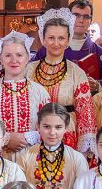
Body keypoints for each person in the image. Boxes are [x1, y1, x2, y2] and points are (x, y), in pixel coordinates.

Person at [26, 9, 98, 154]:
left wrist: (85, 148)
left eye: (61, 38)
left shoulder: (76, 72)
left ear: (68, 40)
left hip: (66, 132)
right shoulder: (29, 69)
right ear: (43, 39)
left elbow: (85, 112)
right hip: (35, 131)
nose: (56, 43)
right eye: (51, 38)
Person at [16, 103, 90, 189]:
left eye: (58, 127)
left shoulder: (77, 158)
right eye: (46, 127)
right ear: (38, 126)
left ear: (66, 128)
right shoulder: (26, 156)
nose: (52, 132)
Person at [0, 35, 51, 156]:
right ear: (1, 59)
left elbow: (49, 127)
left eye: (19, 55)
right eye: (8, 55)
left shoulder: (40, 92)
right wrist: (6, 138)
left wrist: (26, 138)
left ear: (27, 58)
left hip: (32, 158)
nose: (14, 60)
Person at [35, 0, 102, 81]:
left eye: (86, 17)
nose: (81, 20)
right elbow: (32, 76)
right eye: (76, 15)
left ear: (91, 21)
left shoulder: (100, 53)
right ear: (68, 18)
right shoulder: (48, 49)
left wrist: (97, 85)